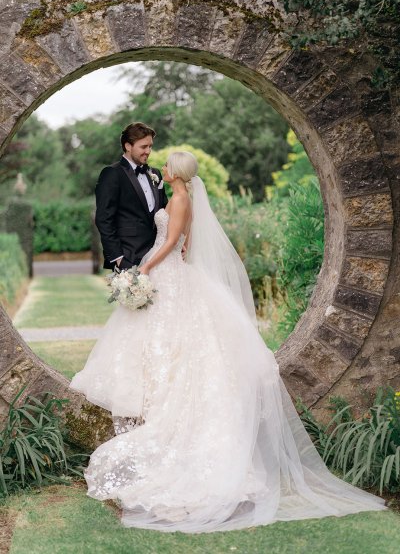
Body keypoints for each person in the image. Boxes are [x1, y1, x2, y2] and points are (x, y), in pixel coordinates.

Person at [70, 150, 387, 533]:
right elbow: (182, 238)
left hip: (163, 267)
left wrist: (147, 268)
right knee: (164, 338)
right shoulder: (176, 195)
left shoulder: (182, 198)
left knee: (177, 337)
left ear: (178, 173)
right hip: (167, 271)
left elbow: (171, 241)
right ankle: (160, 389)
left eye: (167, 164)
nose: (162, 167)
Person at [95, 122, 168, 271]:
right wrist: (118, 258)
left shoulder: (155, 174)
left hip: (158, 256)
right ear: (128, 146)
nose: (148, 151)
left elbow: (164, 210)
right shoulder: (112, 174)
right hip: (128, 257)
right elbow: (104, 219)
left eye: (150, 146)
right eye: (143, 147)